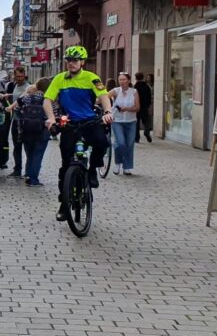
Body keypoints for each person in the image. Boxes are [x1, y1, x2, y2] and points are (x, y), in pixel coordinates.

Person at [44, 46, 114, 221]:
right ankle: (64, 204)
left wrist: (107, 112)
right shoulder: (60, 79)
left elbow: (104, 96)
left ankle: (93, 170)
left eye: (75, 60)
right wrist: (51, 118)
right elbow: (47, 100)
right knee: (65, 166)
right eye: (68, 60)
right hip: (70, 124)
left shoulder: (92, 78)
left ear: (82, 62)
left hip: (90, 121)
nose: (71, 63)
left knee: (102, 142)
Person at [17, 77, 52, 186]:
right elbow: (53, 114)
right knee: (38, 154)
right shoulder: (48, 100)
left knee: (30, 153)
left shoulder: (27, 97)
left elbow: (18, 108)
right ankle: (33, 179)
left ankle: (28, 175)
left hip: (26, 129)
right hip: (42, 130)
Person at [109, 72, 140, 175]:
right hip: (117, 121)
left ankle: (127, 167)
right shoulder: (116, 91)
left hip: (131, 121)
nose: (121, 82)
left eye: (124, 79)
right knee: (120, 142)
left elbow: (137, 107)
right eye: (120, 80)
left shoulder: (134, 92)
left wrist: (127, 109)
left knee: (129, 144)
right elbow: (104, 97)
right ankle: (118, 163)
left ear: (129, 81)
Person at [7, 66, 32, 177]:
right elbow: (15, 96)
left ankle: (28, 171)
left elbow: (20, 98)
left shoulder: (29, 87)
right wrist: (7, 95)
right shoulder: (14, 85)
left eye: (22, 76)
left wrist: (11, 107)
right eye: (18, 76)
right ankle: (17, 169)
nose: (20, 79)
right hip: (16, 120)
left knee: (27, 147)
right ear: (14, 76)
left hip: (25, 121)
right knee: (17, 147)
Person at [134, 72, 154, 143]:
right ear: (143, 78)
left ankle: (136, 137)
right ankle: (146, 132)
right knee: (146, 121)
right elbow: (149, 96)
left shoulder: (135, 87)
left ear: (136, 78)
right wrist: (147, 105)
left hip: (137, 107)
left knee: (136, 122)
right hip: (144, 106)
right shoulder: (146, 86)